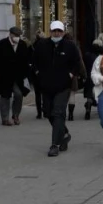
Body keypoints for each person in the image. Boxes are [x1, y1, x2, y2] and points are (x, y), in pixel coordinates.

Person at [31, 21, 82, 157]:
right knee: (48, 112)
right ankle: (64, 133)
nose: (57, 33)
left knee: (58, 112)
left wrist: (71, 74)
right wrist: (37, 74)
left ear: (63, 32)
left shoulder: (70, 46)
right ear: (50, 31)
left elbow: (77, 63)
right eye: (54, 31)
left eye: (59, 31)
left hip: (63, 86)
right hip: (46, 86)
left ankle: (55, 145)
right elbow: (33, 62)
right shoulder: (42, 45)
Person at [0, 26, 31, 126]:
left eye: (19, 35)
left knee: (19, 95)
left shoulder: (22, 44)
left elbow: (26, 60)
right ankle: (5, 118)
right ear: (11, 34)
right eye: (16, 35)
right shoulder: (1, 44)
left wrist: (26, 74)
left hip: (18, 76)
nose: (17, 37)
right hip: (4, 75)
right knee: (5, 96)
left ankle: (16, 115)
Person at [65, 32, 87, 121]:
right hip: (73, 75)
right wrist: (84, 74)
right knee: (72, 95)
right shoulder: (75, 48)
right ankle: (71, 115)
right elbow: (80, 61)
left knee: (62, 95)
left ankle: (61, 113)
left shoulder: (60, 46)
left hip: (61, 74)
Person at [83, 34, 103, 120]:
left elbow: (84, 66)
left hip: (89, 77)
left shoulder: (87, 55)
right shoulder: (101, 57)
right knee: (99, 94)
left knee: (89, 95)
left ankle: (88, 107)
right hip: (99, 78)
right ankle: (101, 111)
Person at [29, 31, 49, 119]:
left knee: (37, 94)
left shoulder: (32, 46)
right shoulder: (47, 45)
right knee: (45, 93)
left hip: (36, 73)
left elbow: (31, 60)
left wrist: (35, 70)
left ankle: (39, 113)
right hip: (45, 72)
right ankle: (45, 111)